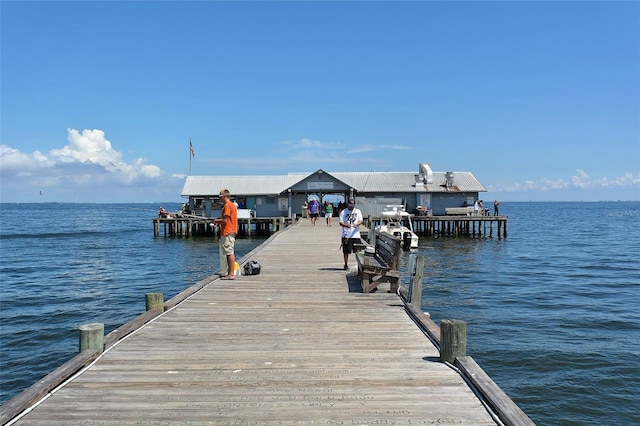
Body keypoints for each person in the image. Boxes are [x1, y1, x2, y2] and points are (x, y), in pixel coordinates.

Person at [214, 189, 238, 280]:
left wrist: (216, 221)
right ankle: (230, 273)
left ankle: (231, 274)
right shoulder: (232, 205)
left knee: (229, 253)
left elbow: (225, 220)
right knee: (229, 252)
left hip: (228, 231)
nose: (220, 199)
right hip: (231, 231)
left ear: (225, 196)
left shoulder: (227, 205)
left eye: (220, 197)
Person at [339, 198, 363, 271]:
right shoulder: (343, 212)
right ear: (348, 204)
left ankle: (360, 265)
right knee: (346, 251)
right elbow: (341, 222)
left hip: (356, 235)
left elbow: (361, 220)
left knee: (359, 251)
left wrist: (357, 224)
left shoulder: (358, 211)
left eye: (353, 204)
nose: (352, 206)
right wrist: (346, 225)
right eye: (350, 204)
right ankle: (346, 264)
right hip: (346, 235)